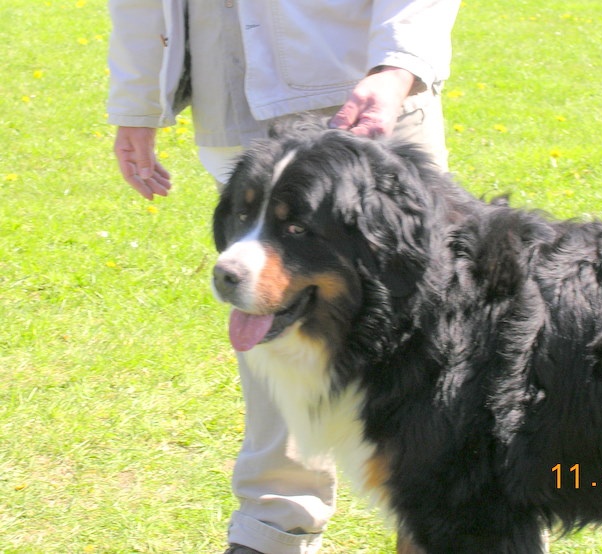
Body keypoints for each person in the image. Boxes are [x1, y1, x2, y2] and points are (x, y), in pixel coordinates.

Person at [107, 1, 460, 552]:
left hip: (358, 85)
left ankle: (450, 523)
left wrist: (397, 67)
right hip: (230, 87)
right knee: (271, 312)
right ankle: (273, 526)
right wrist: (137, 100)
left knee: (426, 340)